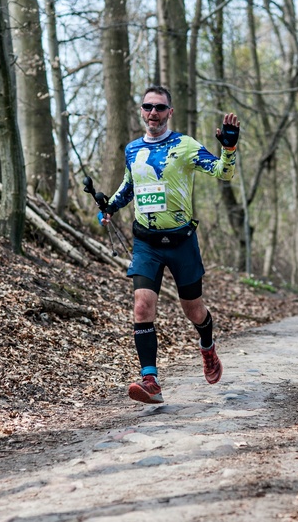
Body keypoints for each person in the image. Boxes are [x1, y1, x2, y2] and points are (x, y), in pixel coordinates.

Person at [99, 85, 240, 404]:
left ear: (169, 112)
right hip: (146, 242)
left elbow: (222, 173)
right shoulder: (133, 149)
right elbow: (129, 186)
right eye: (148, 107)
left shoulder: (186, 146)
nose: (153, 113)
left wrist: (228, 150)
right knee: (142, 306)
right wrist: (110, 206)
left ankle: (207, 347)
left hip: (181, 242)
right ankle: (150, 380)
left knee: (193, 310)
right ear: (141, 111)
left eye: (159, 108)